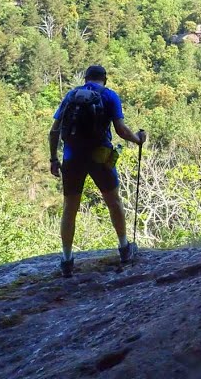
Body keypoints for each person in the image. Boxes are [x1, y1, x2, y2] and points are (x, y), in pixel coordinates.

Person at [48, 65, 146, 277]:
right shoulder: (109, 96)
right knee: (113, 201)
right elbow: (120, 130)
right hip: (100, 157)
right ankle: (124, 248)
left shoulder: (71, 95)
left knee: (70, 207)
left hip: (72, 158)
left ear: (86, 79)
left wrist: (54, 159)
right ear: (105, 79)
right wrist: (137, 139)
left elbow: (54, 130)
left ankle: (66, 260)